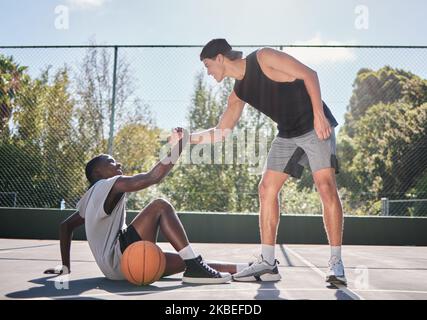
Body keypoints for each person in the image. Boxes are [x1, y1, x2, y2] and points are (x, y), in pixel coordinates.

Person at [189, 38, 346, 285]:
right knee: (266, 189)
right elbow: (221, 131)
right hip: (287, 134)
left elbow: (309, 75)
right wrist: (187, 139)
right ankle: (268, 263)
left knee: (325, 186)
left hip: (315, 126)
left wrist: (318, 114)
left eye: (208, 65)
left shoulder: (263, 58)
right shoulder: (237, 94)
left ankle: (336, 262)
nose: (208, 72)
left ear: (220, 58)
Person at [44, 128, 245, 284]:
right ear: (98, 174)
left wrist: (65, 267)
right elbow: (153, 177)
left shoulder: (88, 200)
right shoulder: (108, 185)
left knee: (190, 260)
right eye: (112, 162)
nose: (118, 164)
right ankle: (195, 267)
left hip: (115, 270)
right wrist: (181, 143)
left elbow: (65, 226)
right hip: (122, 256)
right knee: (160, 206)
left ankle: (245, 268)